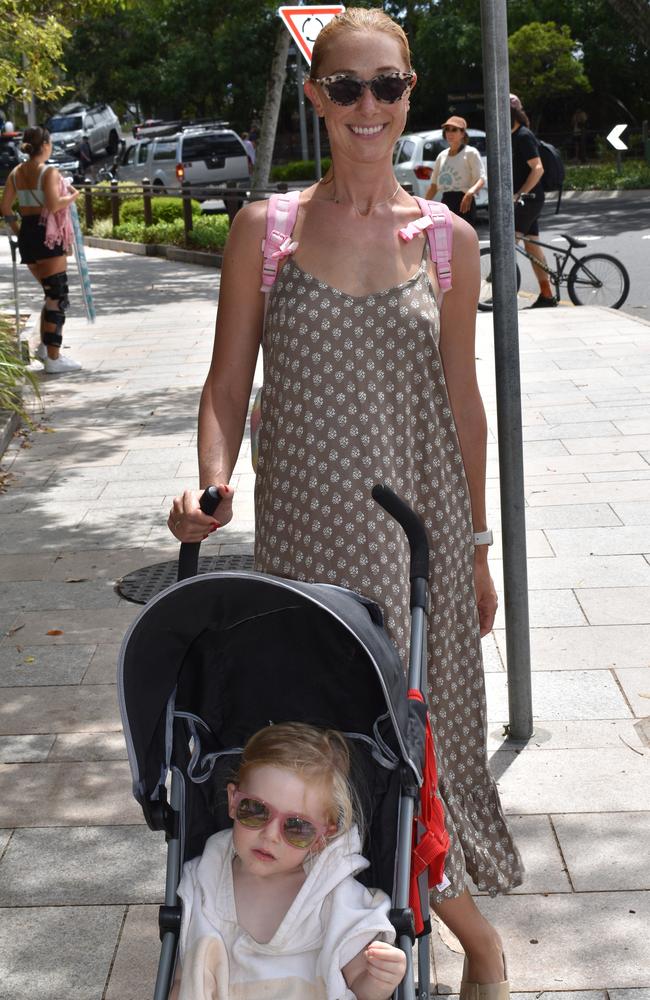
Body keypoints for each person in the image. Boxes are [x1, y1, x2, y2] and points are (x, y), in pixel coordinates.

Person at [169, 10, 522, 996]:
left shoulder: (447, 243)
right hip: (304, 550)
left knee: (424, 752)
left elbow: (463, 407)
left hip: (422, 548)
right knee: (321, 750)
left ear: (411, 93)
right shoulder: (265, 230)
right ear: (317, 95)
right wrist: (210, 480)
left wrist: (479, 548)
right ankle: (340, 947)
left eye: (388, 86)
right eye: (346, 86)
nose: (368, 106)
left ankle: (477, 945)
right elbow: (225, 386)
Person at [169, 722, 406, 999]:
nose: (270, 835)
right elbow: (184, 982)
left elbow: (358, 985)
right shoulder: (205, 881)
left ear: (322, 837)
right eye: (255, 811)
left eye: (296, 827)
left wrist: (380, 980)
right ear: (233, 801)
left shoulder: (332, 895)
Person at [1, 125, 82, 373]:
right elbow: (53, 204)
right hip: (47, 235)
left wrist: (19, 232)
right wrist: (73, 196)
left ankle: (46, 349)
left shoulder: (16, 172)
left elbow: (5, 208)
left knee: (50, 294)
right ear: (45, 145)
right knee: (58, 296)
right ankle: (54, 358)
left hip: (28, 233)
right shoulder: (47, 171)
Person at [510, 93, 556, 308]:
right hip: (527, 199)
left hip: (529, 198)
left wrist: (519, 193)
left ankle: (501, 291)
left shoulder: (524, 136)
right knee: (532, 247)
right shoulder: (512, 136)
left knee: (507, 245)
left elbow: (538, 169)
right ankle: (547, 294)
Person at [424, 115, 485, 227]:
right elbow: (434, 186)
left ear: (462, 133)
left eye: (454, 129)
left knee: (463, 240)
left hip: (464, 202)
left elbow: (482, 178)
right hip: (446, 202)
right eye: (447, 129)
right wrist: (423, 206)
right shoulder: (441, 156)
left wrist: (470, 193)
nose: (450, 133)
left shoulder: (471, 153)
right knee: (447, 240)